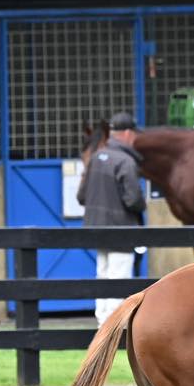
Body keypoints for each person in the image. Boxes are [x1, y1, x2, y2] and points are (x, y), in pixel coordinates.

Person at [78, 111, 145, 325]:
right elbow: (133, 199)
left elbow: (81, 196)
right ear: (126, 133)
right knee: (119, 277)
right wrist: (142, 205)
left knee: (103, 275)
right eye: (133, 133)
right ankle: (115, 327)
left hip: (96, 229)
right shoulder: (125, 161)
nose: (134, 138)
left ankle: (102, 324)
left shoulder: (96, 158)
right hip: (121, 229)